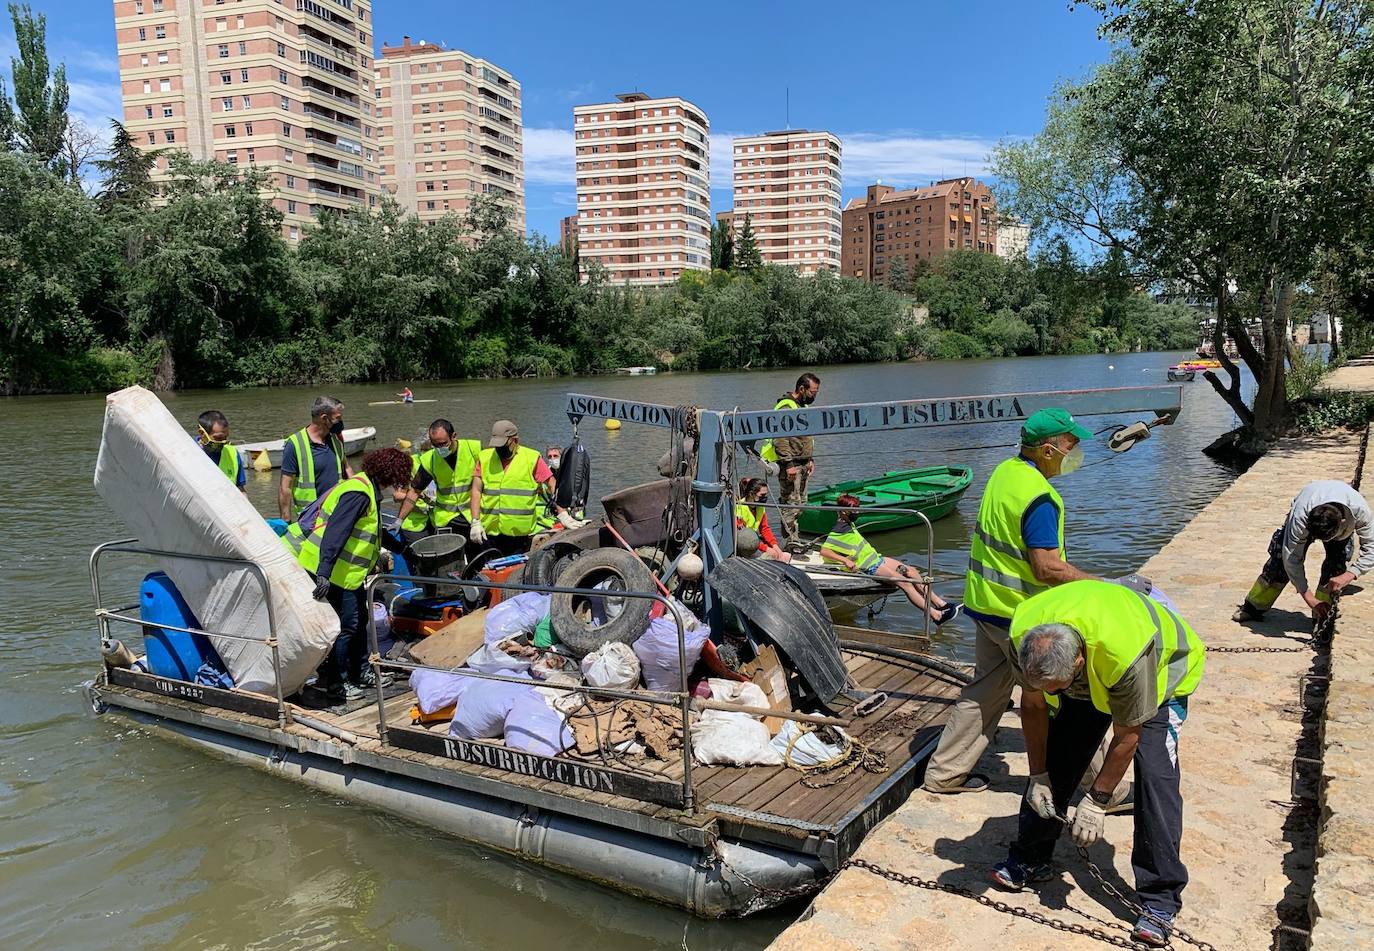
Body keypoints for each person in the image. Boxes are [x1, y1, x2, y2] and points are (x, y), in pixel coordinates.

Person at [990, 579, 1205, 948]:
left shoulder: (1124, 654)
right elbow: (1034, 704)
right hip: (1088, 673)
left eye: (1056, 685)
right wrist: (1038, 774)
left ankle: (1159, 899)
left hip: (1159, 674)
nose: (1051, 693)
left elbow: (1128, 736)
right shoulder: (1024, 633)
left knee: (1156, 780)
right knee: (1060, 756)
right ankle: (1031, 856)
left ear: (1077, 661)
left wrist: (1097, 800)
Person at [924, 407, 1117, 796]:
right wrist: (1100, 585)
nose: (1074, 451)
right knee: (1070, 694)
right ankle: (1099, 787)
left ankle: (943, 774)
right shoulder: (1040, 498)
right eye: (1069, 444)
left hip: (985, 608)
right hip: (1021, 617)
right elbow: (1046, 567)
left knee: (985, 691)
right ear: (1047, 450)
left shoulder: (1005, 472)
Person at [284, 448, 411, 703]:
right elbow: (336, 532)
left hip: (348, 574)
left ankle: (359, 673)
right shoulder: (358, 493)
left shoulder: (367, 489)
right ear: (391, 473)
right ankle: (336, 684)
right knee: (346, 627)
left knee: (360, 621)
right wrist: (324, 573)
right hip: (329, 570)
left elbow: (373, 530)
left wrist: (404, 550)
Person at [1232, 479, 1374, 626]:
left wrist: (1350, 574)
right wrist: (1309, 598)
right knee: (1279, 563)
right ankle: (1253, 607)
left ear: (1343, 521)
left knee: (1336, 567)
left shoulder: (1360, 511)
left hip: (1343, 529)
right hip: (1308, 502)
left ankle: (1323, 615)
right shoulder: (1300, 516)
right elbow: (1291, 559)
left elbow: (1372, 549)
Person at [820, 494, 961, 622]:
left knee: (911, 571)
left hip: (878, 559)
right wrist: (845, 560)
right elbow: (824, 550)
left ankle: (941, 604)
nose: (858, 512)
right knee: (904, 582)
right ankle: (935, 615)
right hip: (870, 566)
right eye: (854, 509)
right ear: (844, 512)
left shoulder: (849, 523)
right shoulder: (839, 529)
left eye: (858, 508)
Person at [468, 421, 571, 555]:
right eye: (496, 446)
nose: (499, 449)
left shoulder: (531, 458)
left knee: (515, 572)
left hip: (518, 534)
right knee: (488, 571)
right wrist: (475, 521)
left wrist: (562, 513)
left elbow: (552, 484)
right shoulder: (485, 457)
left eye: (503, 445)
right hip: (489, 531)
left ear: (515, 440)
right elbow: (476, 490)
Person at [395, 419, 481, 548]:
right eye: (435, 445)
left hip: (472, 516)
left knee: (479, 559)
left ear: (454, 436)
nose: (440, 449)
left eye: (443, 444)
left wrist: (477, 521)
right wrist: (399, 520)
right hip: (446, 519)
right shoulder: (430, 459)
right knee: (450, 563)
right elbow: (414, 491)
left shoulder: (473, 449)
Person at [762, 372, 821, 545]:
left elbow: (805, 438)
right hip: (791, 465)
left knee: (800, 504)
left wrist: (810, 459)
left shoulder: (802, 407)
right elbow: (780, 439)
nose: (814, 396)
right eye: (812, 392)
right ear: (801, 389)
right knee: (790, 505)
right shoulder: (786, 407)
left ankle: (795, 540)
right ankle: (790, 543)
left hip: (803, 463)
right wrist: (788, 464)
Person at [279, 396, 352, 521]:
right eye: (337, 418)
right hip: (310, 517)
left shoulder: (336, 441)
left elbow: (347, 468)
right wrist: (286, 521)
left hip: (336, 513)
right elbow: (285, 488)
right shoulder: (295, 444)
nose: (341, 422)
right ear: (324, 418)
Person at [735, 477, 789, 561]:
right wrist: (766, 549)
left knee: (781, 547)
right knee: (768, 557)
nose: (764, 498)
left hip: (755, 540)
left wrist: (775, 546)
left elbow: (764, 528)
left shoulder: (760, 507)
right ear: (751, 494)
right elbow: (746, 540)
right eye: (762, 495)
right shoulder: (739, 509)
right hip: (746, 544)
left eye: (766, 495)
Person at [195, 409, 247, 495]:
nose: (223, 442)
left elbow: (240, 489)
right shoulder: (188, 452)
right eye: (218, 438)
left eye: (225, 438)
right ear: (202, 433)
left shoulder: (232, 453)